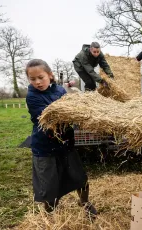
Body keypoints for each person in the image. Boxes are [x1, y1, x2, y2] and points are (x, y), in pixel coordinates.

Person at [25, 59, 97, 217]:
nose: (37, 82)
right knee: (50, 188)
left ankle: (85, 202)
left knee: (80, 179)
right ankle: (50, 215)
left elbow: (70, 109)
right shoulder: (32, 96)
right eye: (33, 79)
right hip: (45, 148)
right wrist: (73, 112)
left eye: (41, 77)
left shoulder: (60, 91)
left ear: (50, 76)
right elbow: (49, 117)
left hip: (66, 144)